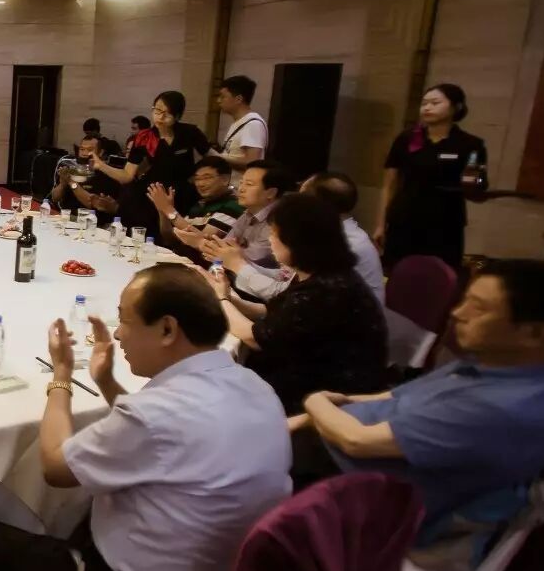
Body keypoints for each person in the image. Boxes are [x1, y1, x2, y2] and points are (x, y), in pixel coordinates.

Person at [0, 264, 289, 571]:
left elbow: (55, 467)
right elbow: (153, 445)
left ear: (167, 329)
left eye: (125, 322)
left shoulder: (154, 414)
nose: (118, 336)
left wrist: (61, 379)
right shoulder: (254, 386)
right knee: (90, 503)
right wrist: (106, 382)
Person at [299, 260, 544, 552]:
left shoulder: (503, 408)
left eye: (479, 308)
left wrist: (314, 402)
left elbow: (356, 441)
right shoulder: (489, 362)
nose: (457, 313)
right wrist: (304, 417)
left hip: (347, 490)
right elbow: (391, 397)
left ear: (535, 333)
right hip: (329, 440)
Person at [207, 193, 388, 424]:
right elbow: (275, 313)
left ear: (298, 241)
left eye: (274, 234)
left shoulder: (328, 290)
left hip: (325, 399)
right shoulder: (321, 274)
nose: (270, 240)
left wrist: (221, 298)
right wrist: (229, 298)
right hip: (304, 377)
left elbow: (255, 338)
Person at [377, 83, 487, 270]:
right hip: (405, 218)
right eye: (424, 103)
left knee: (439, 274)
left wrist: (475, 182)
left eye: (435, 103)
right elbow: (389, 184)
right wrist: (381, 224)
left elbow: (477, 186)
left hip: (445, 222)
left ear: (456, 107)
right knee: (397, 272)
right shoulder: (407, 138)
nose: (427, 108)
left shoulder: (470, 144)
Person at [230, 172, 384, 304]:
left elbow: (288, 294)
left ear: (316, 206)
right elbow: (286, 278)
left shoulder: (342, 243)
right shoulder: (327, 232)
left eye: (301, 197)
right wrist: (239, 262)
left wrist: (238, 265)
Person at [92, 90, 209, 235]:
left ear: (178, 116)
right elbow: (127, 175)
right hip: (151, 194)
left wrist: (197, 177)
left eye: (167, 113)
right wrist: (101, 165)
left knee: (180, 236)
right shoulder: (144, 137)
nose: (160, 117)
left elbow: (211, 158)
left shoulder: (190, 132)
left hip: (182, 194)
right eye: (157, 110)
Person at [199, 160, 294, 271]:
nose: (241, 189)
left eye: (249, 184)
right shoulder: (248, 213)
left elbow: (252, 259)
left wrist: (201, 242)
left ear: (271, 193)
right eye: (241, 183)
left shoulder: (281, 219)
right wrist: (215, 271)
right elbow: (223, 249)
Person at [148, 156, 245, 255]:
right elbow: (171, 239)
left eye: (207, 178)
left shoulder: (234, 205)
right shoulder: (200, 204)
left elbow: (204, 241)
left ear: (225, 179)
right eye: (197, 179)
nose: (200, 184)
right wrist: (162, 211)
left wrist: (168, 209)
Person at [48, 136, 119, 226]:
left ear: (100, 152)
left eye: (90, 150)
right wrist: (63, 184)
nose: (84, 153)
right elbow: (55, 198)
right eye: (82, 149)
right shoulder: (72, 169)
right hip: (66, 218)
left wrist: (71, 182)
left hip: (92, 223)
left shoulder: (106, 173)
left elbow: (93, 204)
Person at [212, 75, 268, 177]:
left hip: (240, 184)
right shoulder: (239, 122)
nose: (218, 100)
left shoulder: (252, 124)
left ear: (238, 99)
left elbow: (252, 162)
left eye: (223, 97)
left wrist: (216, 157)